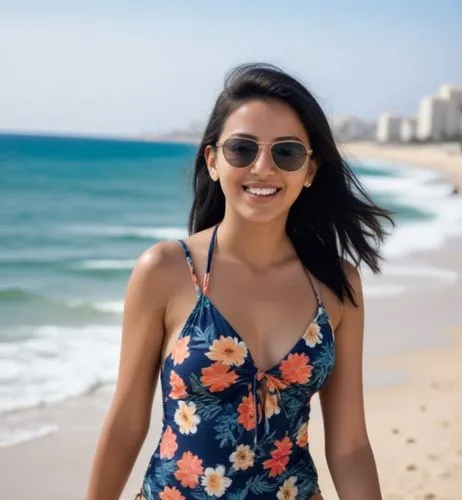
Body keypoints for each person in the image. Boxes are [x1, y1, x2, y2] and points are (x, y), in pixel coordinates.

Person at [86, 63, 392, 500]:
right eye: (242, 150)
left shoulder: (336, 285)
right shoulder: (167, 270)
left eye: (285, 152)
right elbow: (127, 422)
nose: (263, 167)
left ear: (309, 169)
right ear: (212, 161)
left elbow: (350, 446)